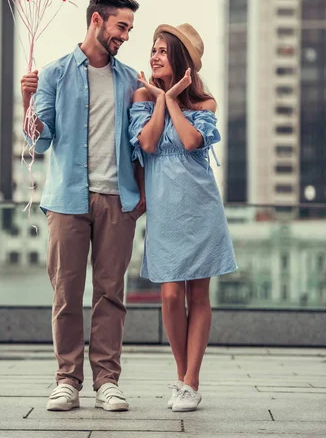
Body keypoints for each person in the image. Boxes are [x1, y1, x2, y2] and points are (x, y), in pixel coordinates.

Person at [21, 0, 145, 413]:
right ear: (96, 20)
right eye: (121, 27)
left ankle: (107, 381)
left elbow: (140, 142)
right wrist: (26, 101)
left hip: (118, 201)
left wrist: (140, 197)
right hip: (66, 201)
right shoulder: (55, 73)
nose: (126, 36)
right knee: (66, 293)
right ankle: (67, 380)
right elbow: (41, 139)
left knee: (111, 294)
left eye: (129, 28)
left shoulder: (131, 80)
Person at [128, 23, 237, 413]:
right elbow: (148, 142)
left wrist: (173, 98)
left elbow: (192, 142)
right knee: (171, 295)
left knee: (198, 295)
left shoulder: (204, 104)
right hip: (164, 212)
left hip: (201, 207)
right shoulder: (143, 95)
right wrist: (160, 98)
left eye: (161, 50)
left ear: (178, 59)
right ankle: (180, 373)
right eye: (153, 49)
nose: (154, 55)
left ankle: (191, 381)